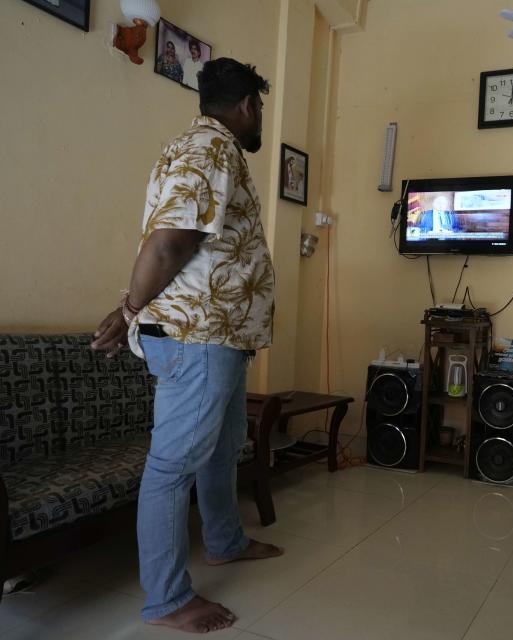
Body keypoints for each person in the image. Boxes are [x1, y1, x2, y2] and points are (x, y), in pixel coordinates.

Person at [91, 58, 282, 633]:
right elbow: (169, 244)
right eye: (261, 109)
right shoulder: (213, 149)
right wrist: (129, 310)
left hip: (217, 335)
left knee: (221, 449)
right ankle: (167, 599)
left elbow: (177, 244)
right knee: (172, 467)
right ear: (248, 104)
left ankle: (224, 541)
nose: (260, 121)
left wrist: (131, 305)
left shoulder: (201, 149)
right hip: (197, 338)